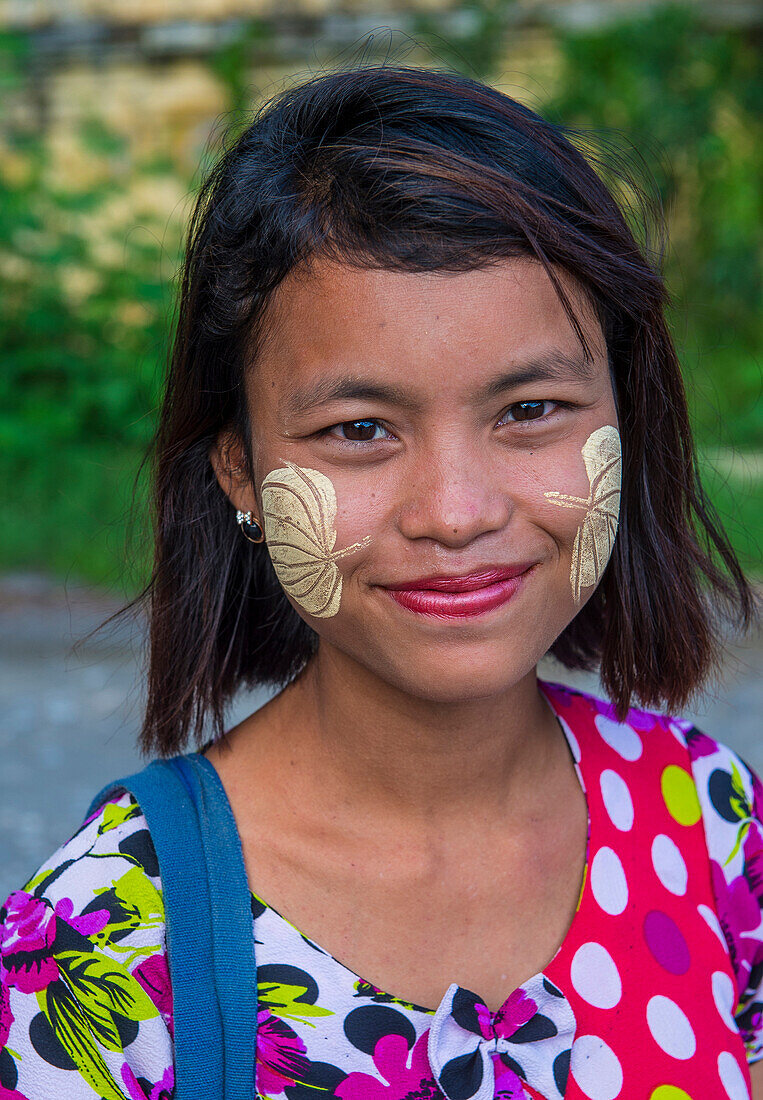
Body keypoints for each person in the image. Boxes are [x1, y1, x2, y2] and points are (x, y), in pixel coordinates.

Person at [0, 64, 759, 1100]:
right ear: (240, 473)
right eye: (359, 430)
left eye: (530, 409)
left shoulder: (710, 821)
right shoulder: (100, 952)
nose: (455, 510)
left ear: (624, 419)